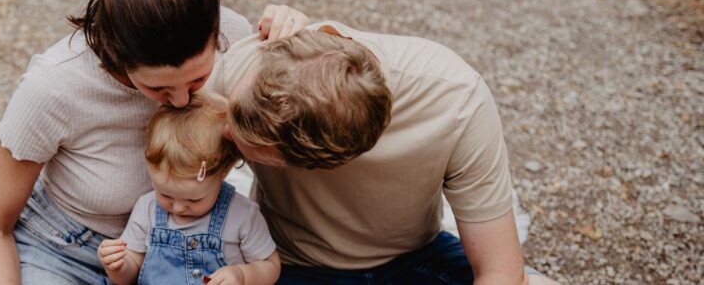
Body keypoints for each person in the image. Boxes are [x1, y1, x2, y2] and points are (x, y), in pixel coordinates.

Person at [0, 0, 308, 283]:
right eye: (156, 88)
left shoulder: (232, 35)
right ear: (114, 52)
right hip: (63, 250)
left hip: (187, 248)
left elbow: (306, 104)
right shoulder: (54, 87)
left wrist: (300, 40)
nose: (181, 102)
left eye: (198, 80)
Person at [209, 21, 561, 284]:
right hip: (287, 264)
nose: (225, 131)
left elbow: (500, 270)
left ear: (329, 164)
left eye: (251, 145)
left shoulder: (457, 101)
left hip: (412, 257)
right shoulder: (242, 64)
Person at [97, 92, 280, 285]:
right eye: (165, 194)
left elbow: (270, 265)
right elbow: (132, 269)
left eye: (193, 200)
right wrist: (118, 266)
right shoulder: (147, 208)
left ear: (223, 171)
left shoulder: (242, 215)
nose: (177, 208)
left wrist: (241, 276)